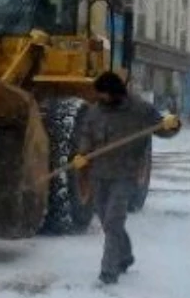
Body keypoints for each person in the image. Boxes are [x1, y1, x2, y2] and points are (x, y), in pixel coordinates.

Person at [71, 72, 181, 285]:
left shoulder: (139, 110)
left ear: (116, 93)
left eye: (104, 94)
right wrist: (82, 154)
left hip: (125, 174)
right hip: (99, 174)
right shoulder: (95, 112)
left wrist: (172, 125)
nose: (100, 98)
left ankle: (109, 271)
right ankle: (125, 255)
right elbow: (87, 134)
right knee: (107, 221)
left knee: (113, 221)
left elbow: (161, 128)